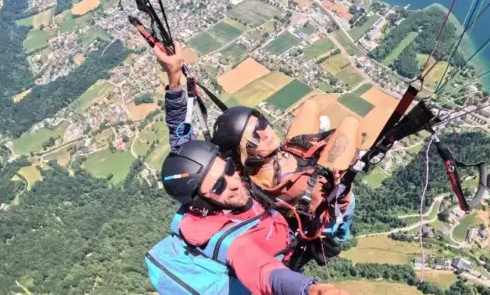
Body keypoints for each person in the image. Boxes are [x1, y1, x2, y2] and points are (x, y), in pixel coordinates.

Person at [148, 41, 349, 295]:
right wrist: (310, 290)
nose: (233, 181)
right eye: (220, 185)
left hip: (281, 230)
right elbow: (263, 272)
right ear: (203, 203)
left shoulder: (203, 182)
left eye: (229, 168)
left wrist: (174, 77)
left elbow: (181, 141)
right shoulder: (226, 239)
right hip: (284, 258)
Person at [210, 102, 361, 268]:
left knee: (310, 107)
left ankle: (316, 147)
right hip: (323, 212)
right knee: (351, 124)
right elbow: (334, 212)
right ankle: (341, 233)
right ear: (244, 153)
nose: (264, 133)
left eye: (261, 123)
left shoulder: (247, 177)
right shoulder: (301, 188)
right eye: (254, 135)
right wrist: (342, 182)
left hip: (289, 159)